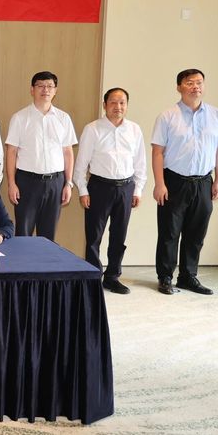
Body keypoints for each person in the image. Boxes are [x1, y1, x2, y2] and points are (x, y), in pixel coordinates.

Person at [151, 68, 218, 295]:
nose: (195, 86)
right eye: (189, 82)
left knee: (196, 233)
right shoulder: (167, 116)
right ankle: (165, 277)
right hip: (174, 181)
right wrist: (159, 183)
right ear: (179, 87)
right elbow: (158, 152)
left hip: (204, 182)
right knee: (169, 232)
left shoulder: (217, 115)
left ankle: (188, 276)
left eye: (199, 82)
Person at [74, 88, 147, 294]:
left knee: (119, 235)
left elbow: (140, 163)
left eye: (122, 102)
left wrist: (138, 190)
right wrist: (83, 190)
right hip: (99, 187)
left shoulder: (134, 130)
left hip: (126, 188)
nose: (118, 107)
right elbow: (81, 164)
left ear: (127, 105)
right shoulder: (93, 129)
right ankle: (92, 276)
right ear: (105, 105)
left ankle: (113, 277)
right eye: (113, 102)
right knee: (94, 236)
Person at [5, 71, 77, 241]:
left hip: (55, 182)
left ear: (55, 90)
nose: (45, 90)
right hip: (27, 182)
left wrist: (68, 183)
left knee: (48, 235)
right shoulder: (20, 118)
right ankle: (23, 260)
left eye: (50, 86)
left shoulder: (63, 118)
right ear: (32, 89)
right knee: (23, 233)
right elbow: (11, 152)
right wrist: (11, 183)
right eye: (41, 86)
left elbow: (68, 152)